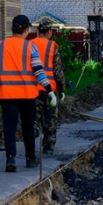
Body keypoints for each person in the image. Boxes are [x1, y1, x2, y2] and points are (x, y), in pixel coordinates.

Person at [0, 15, 57, 172]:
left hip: (7, 94)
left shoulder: (0, 46)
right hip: (28, 95)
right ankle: (30, 158)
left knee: (9, 127)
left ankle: (10, 159)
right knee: (28, 127)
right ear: (26, 30)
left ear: (12, 28)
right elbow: (39, 72)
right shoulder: (30, 47)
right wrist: (49, 90)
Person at [34, 20, 65, 155]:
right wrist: (62, 88)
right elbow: (57, 70)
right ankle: (48, 147)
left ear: (37, 31)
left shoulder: (29, 44)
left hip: (33, 90)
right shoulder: (53, 46)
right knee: (51, 119)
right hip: (49, 90)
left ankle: (31, 147)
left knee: (34, 119)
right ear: (49, 32)